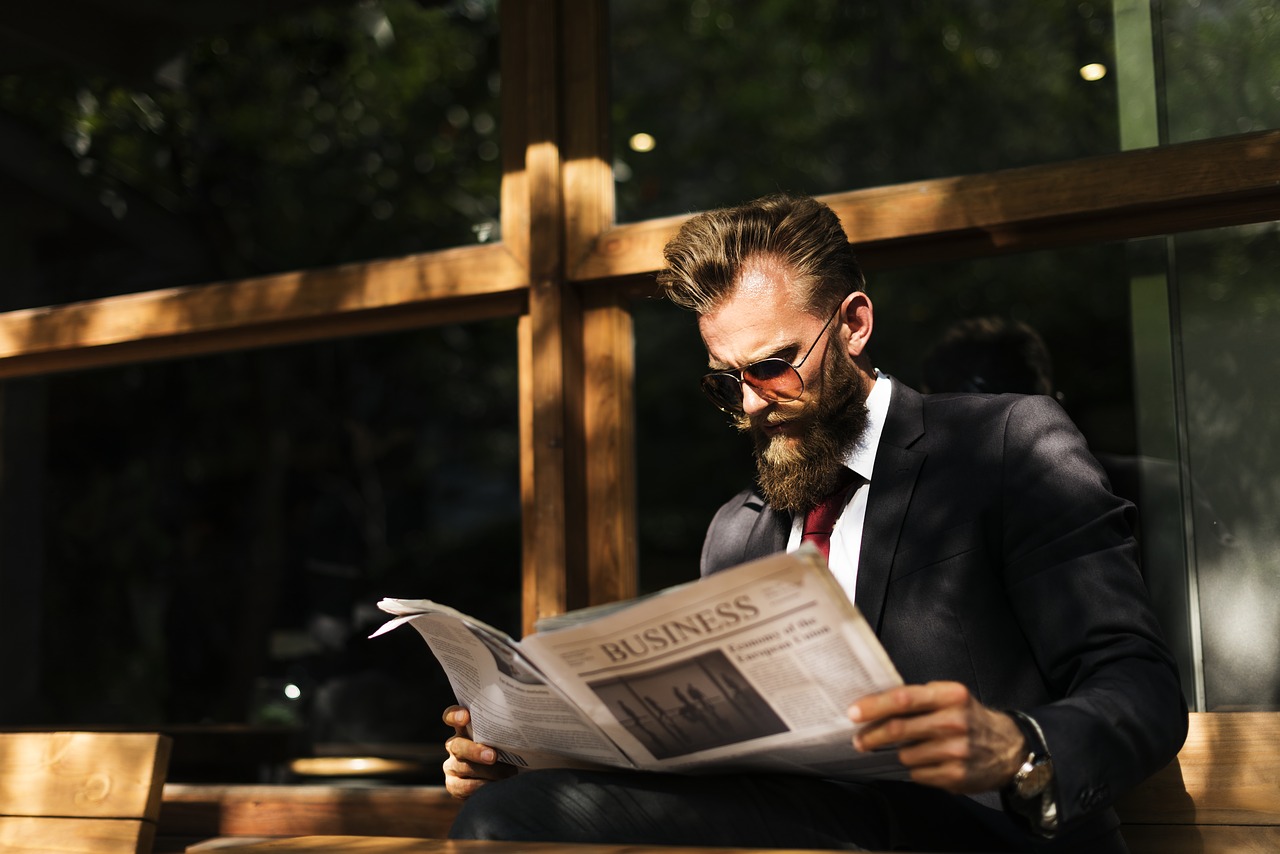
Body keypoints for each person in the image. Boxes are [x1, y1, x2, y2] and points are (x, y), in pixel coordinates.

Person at [440, 193, 1187, 852]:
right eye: (727, 381)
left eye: (773, 367)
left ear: (854, 323)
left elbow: (1139, 686)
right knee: (515, 812)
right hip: (797, 837)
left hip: (975, 835)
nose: (753, 404)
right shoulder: (737, 531)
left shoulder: (1003, 446)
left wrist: (1019, 750)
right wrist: (538, 758)